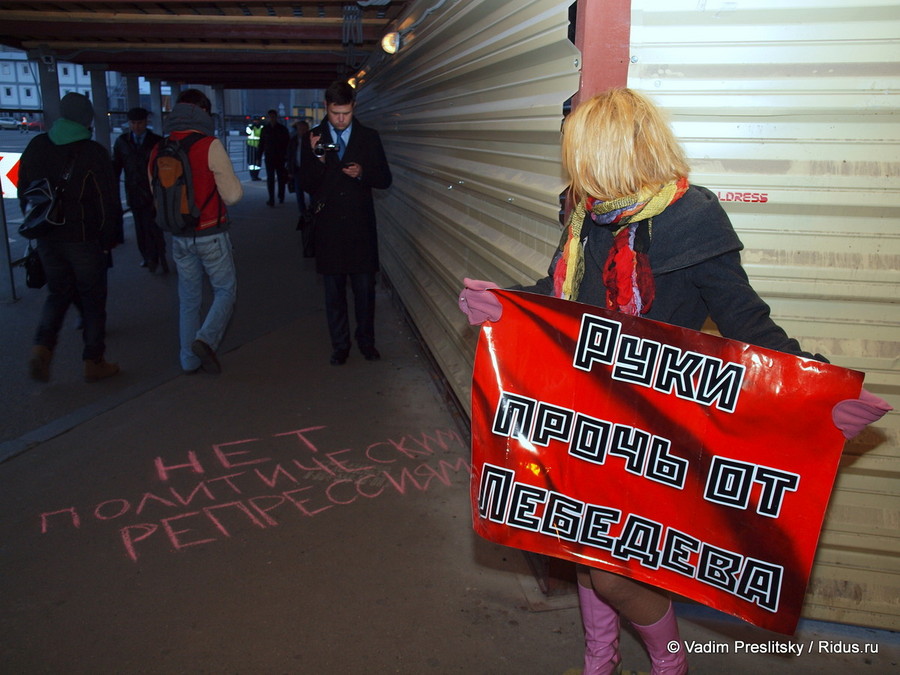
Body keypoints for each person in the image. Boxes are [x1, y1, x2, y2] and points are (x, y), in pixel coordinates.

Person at [458, 88, 891, 675]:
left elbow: (748, 321)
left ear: (615, 154)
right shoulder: (590, 211)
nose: (577, 171)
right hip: (585, 418)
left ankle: (669, 663)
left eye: (584, 156)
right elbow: (563, 297)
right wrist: (505, 305)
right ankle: (601, 661)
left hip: (653, 432)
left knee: (612, 575)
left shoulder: (694, 217)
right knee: (583, 547)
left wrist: (822, 388)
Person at [19, 92, 123, 383]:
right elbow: (108, 201)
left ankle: (42, 347)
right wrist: (107, 239)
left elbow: (24, 188)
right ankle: (94, 360)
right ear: (87, 117)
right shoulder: (93, 152)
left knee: (58, 293)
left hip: (48, 236)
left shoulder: (37, 145)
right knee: (92, 299)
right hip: (83, 237)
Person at [299, 80, 393, 365]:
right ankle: (340, 346)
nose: (341, 119)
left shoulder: (369, 136)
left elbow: (385, 179)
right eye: (335, 113)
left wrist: (363, 172)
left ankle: (367, 342)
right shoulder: (314, 137)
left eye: (346, 113)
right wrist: (316, 157)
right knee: (333, 293)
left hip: (360, 227)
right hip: (328, 228)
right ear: (326, 107)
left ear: (354, 108)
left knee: (365, 291)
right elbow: (306, 184)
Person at [151, 88, 243, 374]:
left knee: (189, 298)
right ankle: (205, 339)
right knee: (225, 290)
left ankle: (188, 361)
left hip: (178, 235)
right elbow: (233, 195)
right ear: (204, 112)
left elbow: (155, 193)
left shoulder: (158, 148)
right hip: (210, 232)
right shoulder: (209, 145)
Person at [113, 107, 166, 273]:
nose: (136, 127)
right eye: (133, 123)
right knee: (140, 227)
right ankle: (147, 256)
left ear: (146, 122)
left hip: (153, 191)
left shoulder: (156, 141)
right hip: (134, 191)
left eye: (140, 123)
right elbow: (116, 166)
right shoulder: (122, 142)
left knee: (153, 225)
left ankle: (156, 256)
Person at [287, 119, 313, 243]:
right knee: (299, 193)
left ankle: (313, 212)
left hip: (309, 171)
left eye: (304, 129)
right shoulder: (293, 141)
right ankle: (303, 213)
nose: (302, 131)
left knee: (313, 192)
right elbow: (290, 155)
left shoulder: (312, 141)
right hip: (297, 170)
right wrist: (290, 170)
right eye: (300, 129)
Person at [259, 108, 290, 206]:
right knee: (270, 178)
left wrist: (287, 156)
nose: (272, 119)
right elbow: (261, 143)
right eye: (270, 117)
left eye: (273, 117)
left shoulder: (282, 129)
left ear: (276, 117)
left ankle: (281, 196)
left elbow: (287, 143)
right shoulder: (265, 130)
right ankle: (271, 198)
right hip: (269, 157)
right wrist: (258, 156)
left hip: (280, 157)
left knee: (281, 178)